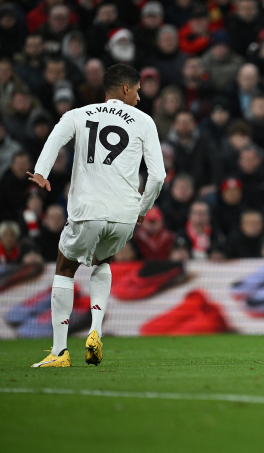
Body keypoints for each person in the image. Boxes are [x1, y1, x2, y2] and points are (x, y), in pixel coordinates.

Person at [27, 64, 165, 368]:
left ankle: (60, 352)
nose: (140, 98)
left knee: (65, 267)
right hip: (125, 215)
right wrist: (141, 211)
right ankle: (95, 330)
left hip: (88, 210)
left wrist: (41, 172)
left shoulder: (78, 114)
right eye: (138, 91)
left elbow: (55, 138)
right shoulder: (144, 122)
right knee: (103, 260)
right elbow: (157, 177)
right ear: (126, 89)